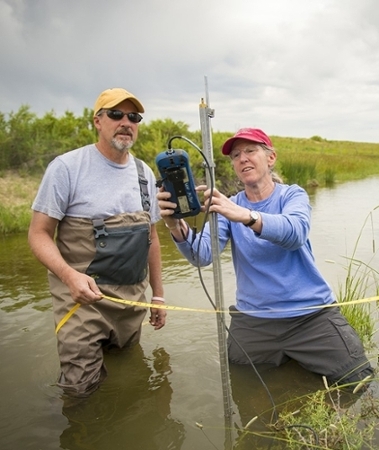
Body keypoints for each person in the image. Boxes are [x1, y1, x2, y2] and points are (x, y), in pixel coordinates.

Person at [157, 127, 374, 391]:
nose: (242, 159)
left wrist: (246, 215)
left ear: (270, 158)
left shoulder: (292, 195)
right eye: (236, 155)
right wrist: (174, 225)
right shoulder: (228, 206)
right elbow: (202, 256)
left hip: (310, 316)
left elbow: (294, 233)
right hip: (254, 321)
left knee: (359, 381)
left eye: (250, 151)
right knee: (242, 385)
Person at [28, 87, 167, 397]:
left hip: (131, 303)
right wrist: (68, 275)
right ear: (98, 121)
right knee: (80, 392)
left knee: (129, 382)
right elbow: (38, 234)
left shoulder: (144, 173)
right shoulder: (66, 168)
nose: (126, 122)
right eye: (116, 114)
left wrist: (157, 295)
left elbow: (152, 237)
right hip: (80, 302)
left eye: (133, 116)